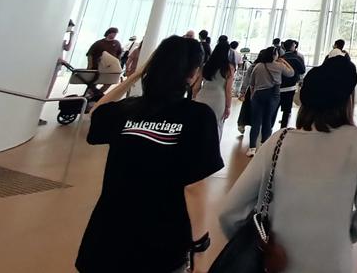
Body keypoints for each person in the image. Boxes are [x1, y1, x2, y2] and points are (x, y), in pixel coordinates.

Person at [219, 57, 357, 273]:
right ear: (348, 100)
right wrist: (339, 235)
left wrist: (259, 248)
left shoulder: (279, 141)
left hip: (276, 263)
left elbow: (229, 212)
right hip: (333, 262)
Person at [76, 36, 223, 273]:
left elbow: (97, 111)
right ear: (193, 73)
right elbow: (194, 188)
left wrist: (135, 75)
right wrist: (199, 246)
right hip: (159, 243)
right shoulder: (197, 116)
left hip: (106, 237)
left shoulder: (127, 109)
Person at [244, 46, 296, 157]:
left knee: (256, 121)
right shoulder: (279, 66)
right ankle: (264, 146)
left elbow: (252, 83)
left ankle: (252, 148)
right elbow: (291, 73)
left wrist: (252, 95)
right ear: (274, 55)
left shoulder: (258, 66)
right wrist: (284, 62)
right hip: (273, 94)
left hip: (258, 94)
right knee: (267, 120)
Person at [197, 39, 235, 135]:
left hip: (202, 96)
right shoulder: (229, 68)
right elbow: (228, 90)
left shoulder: (206, 65)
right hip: (218, 99)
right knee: (216, 126)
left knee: (199, 125)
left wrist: (195, 96)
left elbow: (197, 85)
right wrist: (228, 107)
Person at [279, 40, 306, 129]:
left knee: (274, 109)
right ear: (291, 47)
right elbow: (302, 70)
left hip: (278, 86)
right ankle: (283, 129)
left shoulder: (280, 58)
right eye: (294, 45)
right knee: (287, 110)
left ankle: (269, 128)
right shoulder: (297, 58)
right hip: (290, 87)